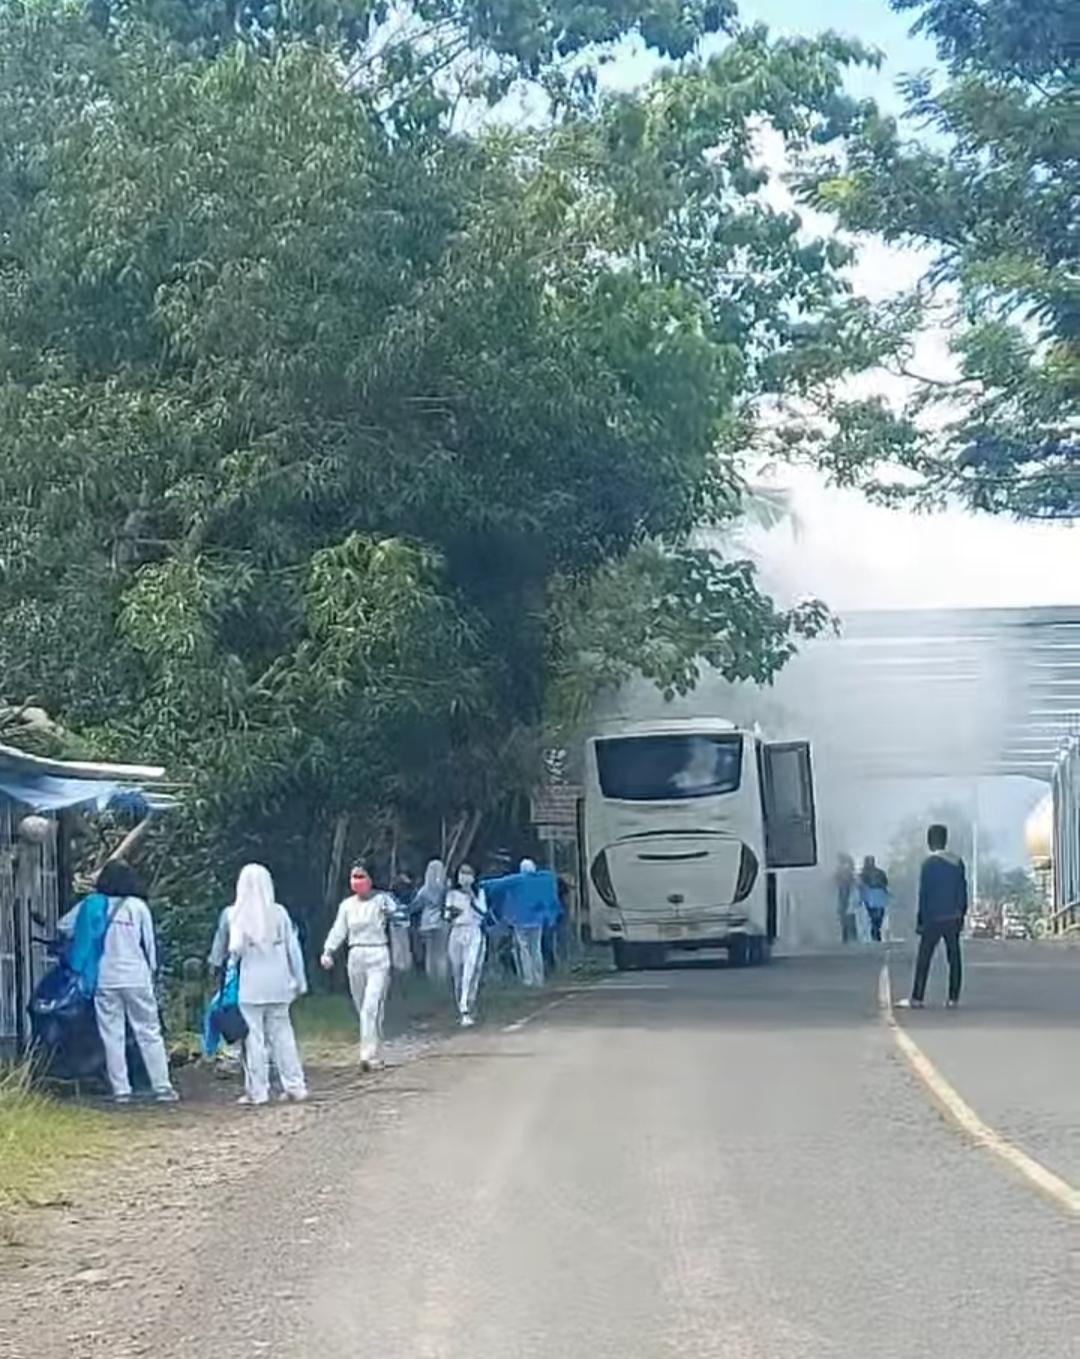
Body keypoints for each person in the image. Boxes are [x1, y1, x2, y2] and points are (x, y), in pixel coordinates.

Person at [57, 860, 177, 1105]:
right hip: (136, 977)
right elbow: (150, 946)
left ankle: (121, 1090)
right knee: (149, 1032)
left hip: (104, 978)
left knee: (112, 1034)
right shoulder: (137, 907)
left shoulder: (90, 905)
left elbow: (64, 926)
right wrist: (153, 973)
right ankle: (162, 1087)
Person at [225, 864, 308, 1106]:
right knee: (283, 1035)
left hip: (250, 986)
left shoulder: (237, 914)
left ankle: (258, 1091)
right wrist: (299, 979)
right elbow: (294, 948)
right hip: (280, 983)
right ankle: (295, 1085)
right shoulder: (279, 913)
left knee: (254, 1039)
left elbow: (234, 949)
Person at [321, 863, 400, 1070]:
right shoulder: (347, 905)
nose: (357, 881)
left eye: (361, 876)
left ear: (371, 878)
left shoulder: (383, 900)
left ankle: (368, 1054)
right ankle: (376, 1045)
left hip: (378, 954)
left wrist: (391, 910)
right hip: (356, 955)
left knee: (370, 1006)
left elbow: (402, 917)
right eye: (354, 876)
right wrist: (328, 950)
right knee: (361, 1006)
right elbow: (339, 930)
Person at [903, 824, 969, 1009]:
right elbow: (963, 891)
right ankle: (953, 998)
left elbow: (924, 894)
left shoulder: (928, 864)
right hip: (953, 917)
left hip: (933, 918)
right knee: (954, 958)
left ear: (930, 841)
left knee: (924, 958)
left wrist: (920, 921)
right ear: (945, 840)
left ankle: (917, 998)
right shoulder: (957, 862)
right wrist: (962, 914)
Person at [481, 858, 559, 987]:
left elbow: (499, 883)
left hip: (520, 921)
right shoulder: (542, 880)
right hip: (537, 921)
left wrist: (481, 884)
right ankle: (539, 979)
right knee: (536, 949)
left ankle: (528, 979)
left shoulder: (517, 880)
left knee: (524, 950)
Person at [444, 863, 488, 1026]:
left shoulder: (479, 893)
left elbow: (482, 913)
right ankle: (461, 1004)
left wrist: (471, 897)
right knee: (458, 972)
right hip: (456, 932)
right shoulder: (452, 894)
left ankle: (466, 1007)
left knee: (470, 970)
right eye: (462, 872)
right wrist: (453, 913)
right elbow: (447, 915)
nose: (465, 876)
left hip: (473, 932)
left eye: (468, 873)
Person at [415, 859, 450, 986]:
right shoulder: (446, 888)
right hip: (442, 922)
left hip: (427, 924)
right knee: (441, 953)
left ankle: (431, 981)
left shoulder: (424, 890)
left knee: (430, 954)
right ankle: (442, 981)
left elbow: (415, 905)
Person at [858, 856, 889, 943]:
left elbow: (885, 883)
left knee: (878, 916)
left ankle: (876, 931)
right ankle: (875, 932)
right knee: (874, 916)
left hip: (878, 896)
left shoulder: (880, 873)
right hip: (871, 896)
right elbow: (861, 887)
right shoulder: (863, 874)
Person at [834, 854, 858, 944]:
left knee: (845, 914)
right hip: (846, 895)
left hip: (845, 895)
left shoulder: (843, 870)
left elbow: (836, 880)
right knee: (848, 915)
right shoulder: (849, 871)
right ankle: (850, 935)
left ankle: (847, 935)